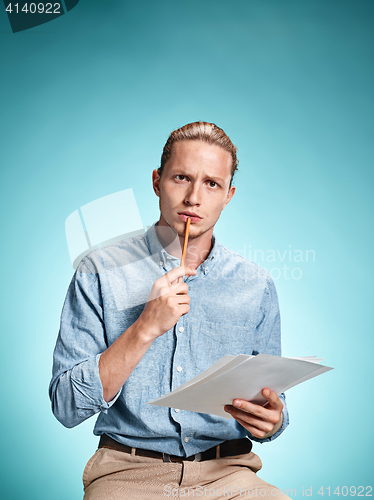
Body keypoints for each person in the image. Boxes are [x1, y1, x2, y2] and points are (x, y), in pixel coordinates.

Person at [49, 122, 290, 499]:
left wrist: (274, 420)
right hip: (127, 474)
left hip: (228, 474)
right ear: (157, 182)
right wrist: (144, 327)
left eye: (212, 184)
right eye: (182, 177)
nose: (194, 197)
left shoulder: (255, 284)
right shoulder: (99, 270)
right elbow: (66, 406)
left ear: (228, 195)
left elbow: (271, 399)